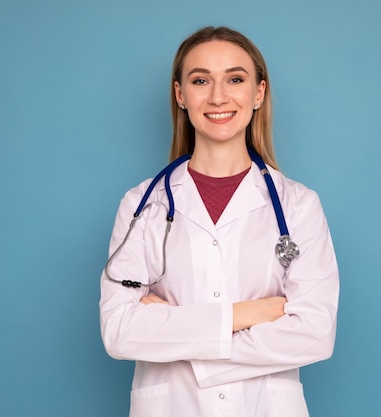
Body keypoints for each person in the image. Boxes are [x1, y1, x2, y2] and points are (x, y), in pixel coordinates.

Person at [99, 26, 339, 417]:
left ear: (258, 93)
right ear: (181, 94)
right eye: (200, 80)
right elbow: (119, 332)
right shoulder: (142, 205)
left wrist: (173, 331)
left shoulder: (298, 206)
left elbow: (314, 335)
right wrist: (253, 313)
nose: (217, 97)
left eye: (235, 79)